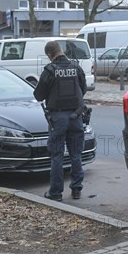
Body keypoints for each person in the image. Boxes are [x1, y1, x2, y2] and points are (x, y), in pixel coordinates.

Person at [34, 40, 87, 202]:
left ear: (50, 55)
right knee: (76, 154)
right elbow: (83, 89)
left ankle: (56, 193)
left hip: (58, 119)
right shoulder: (76, 68)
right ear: (61, 50)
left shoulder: (49, 71)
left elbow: (39, 96)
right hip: (76, 117)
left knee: (57, 155)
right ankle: (76, 190)